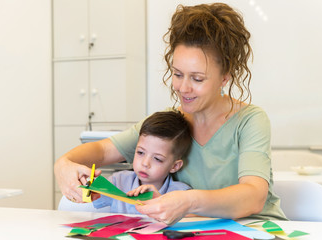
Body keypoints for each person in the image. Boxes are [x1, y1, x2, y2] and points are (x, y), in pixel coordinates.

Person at [55, 2, 287, 224]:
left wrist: (188, 201)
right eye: (177, 74)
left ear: (224, 77)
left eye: (197, 78)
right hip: (195, 231)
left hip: (255, 228)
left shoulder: (250, 121)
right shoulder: (170, 124)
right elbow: (102, 150)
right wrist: (63, 165)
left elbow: (254, 196)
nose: (183, 88)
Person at [58, 111, 192, 214]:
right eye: (140, 153)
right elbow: (90, 201)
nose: (145, 163)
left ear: (174, 166)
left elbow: (194, 219)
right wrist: (89, 188)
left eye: (157, 159)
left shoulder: (181, 193)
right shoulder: (119, 181)